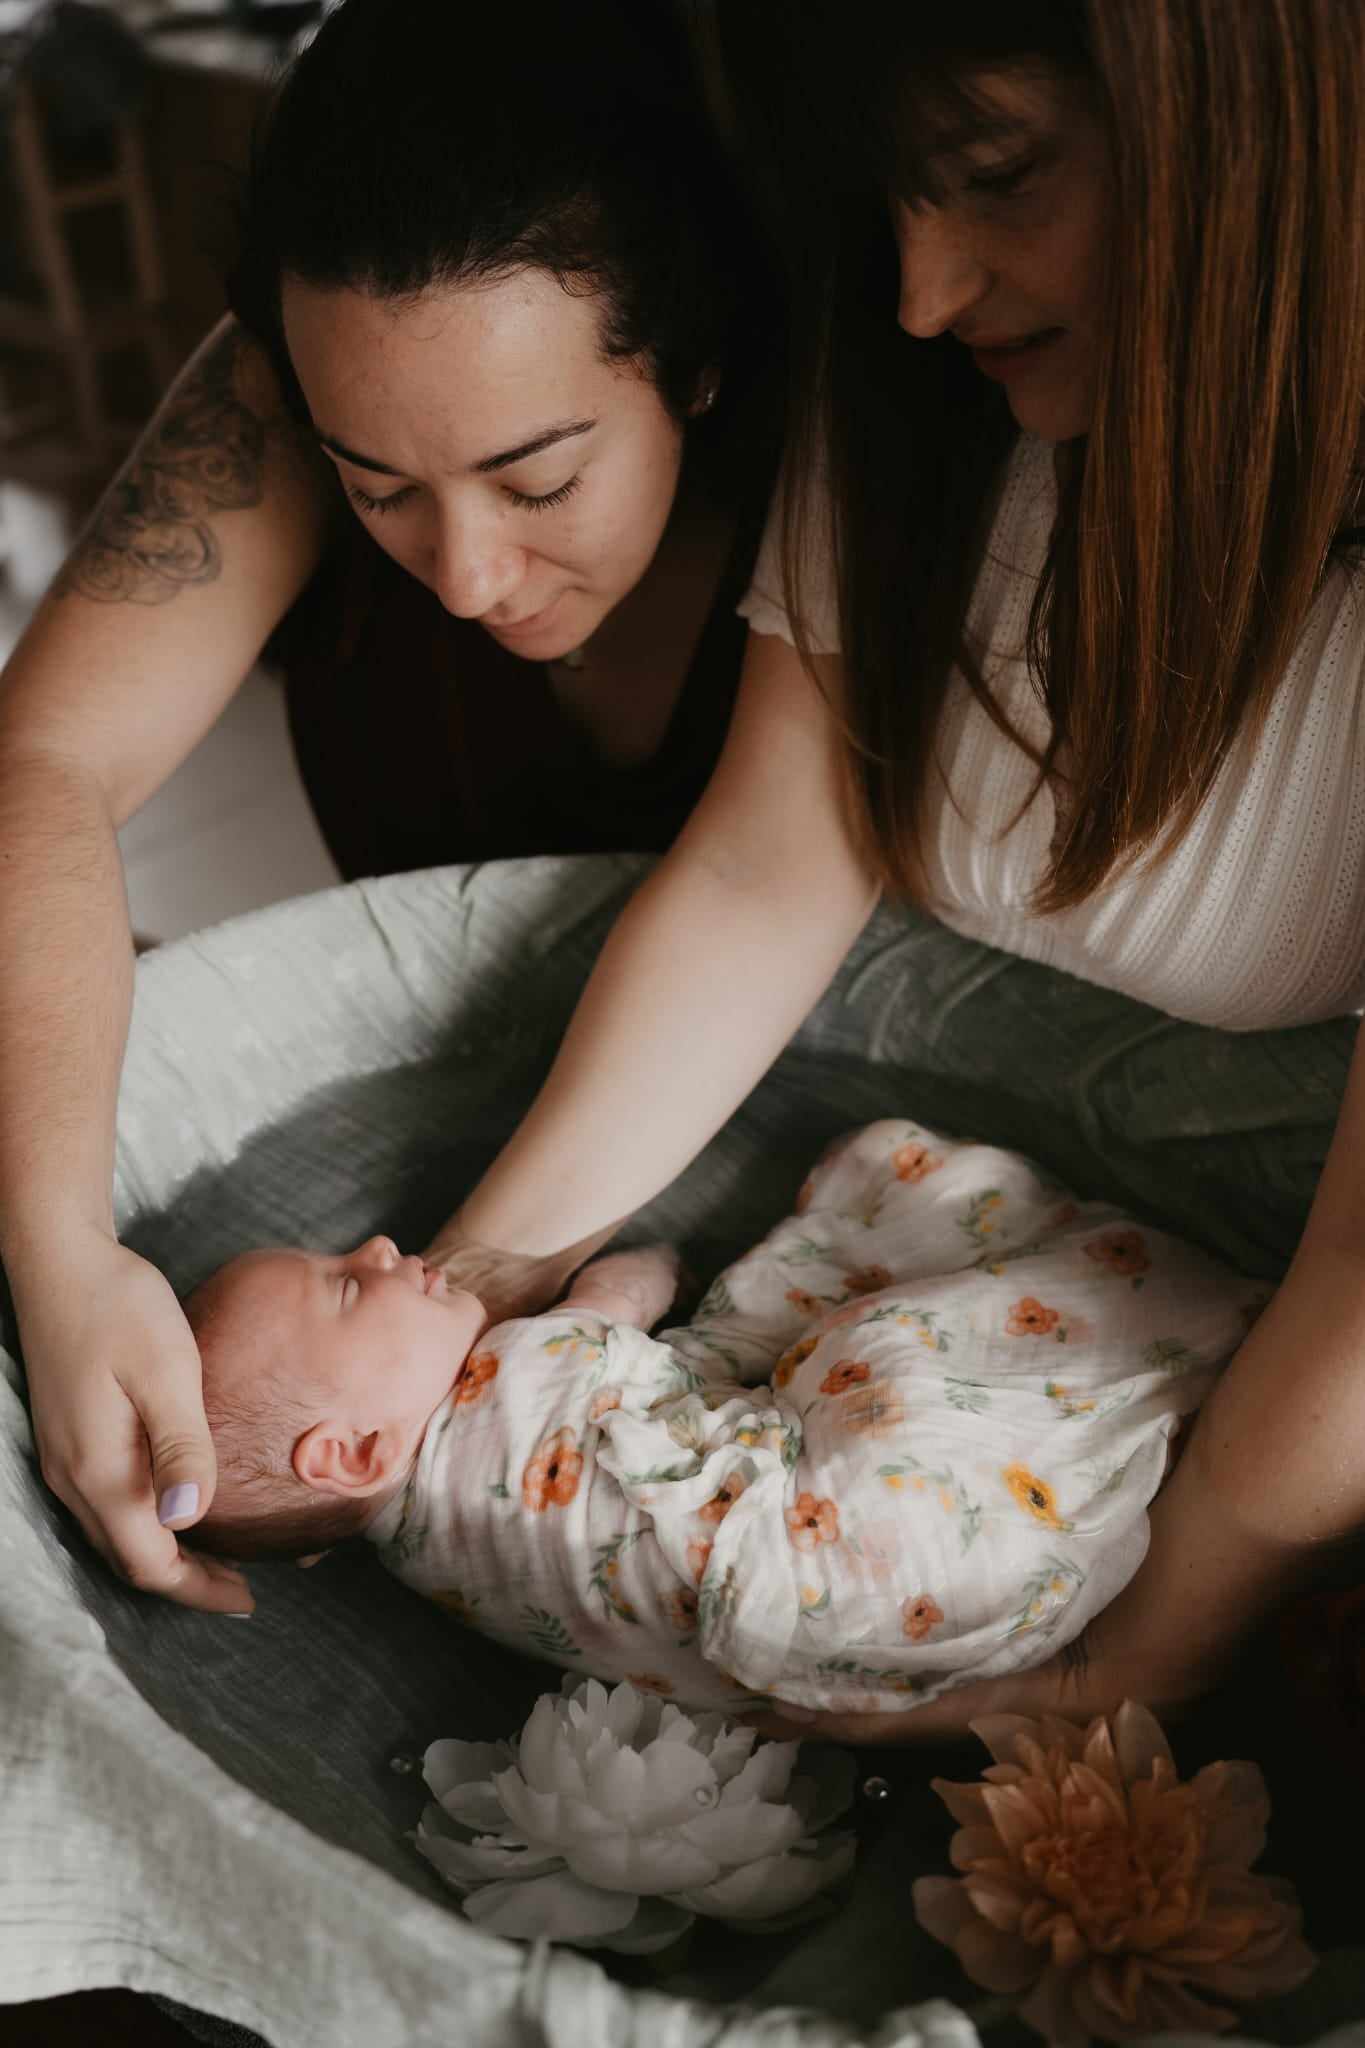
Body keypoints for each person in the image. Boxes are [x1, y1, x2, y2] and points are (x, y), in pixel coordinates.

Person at [423, 0, 1365, 1742]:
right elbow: (766, 871)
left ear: (1273, 128)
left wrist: (1131, 1661)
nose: (928, 290)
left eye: (998, 175)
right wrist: (454, 1304)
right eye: (885, 202)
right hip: (957, 1259)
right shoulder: (920, 399)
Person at [0, 0, 776, 1613]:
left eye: (539, 480)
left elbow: (763, 887)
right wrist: (62, 1248)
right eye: (377, 493)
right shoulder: (309, 375)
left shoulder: (852, 465)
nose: (468, 576)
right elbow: (43, 767)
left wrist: (472, 1316)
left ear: (694, 364)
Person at [187, 1122, 1255, 1716]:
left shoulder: (423, 1561)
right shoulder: (514, 1364)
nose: (376, 1247)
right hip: (852, 1530)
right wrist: (645, 1265)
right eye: (341, 1285)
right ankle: (1187, 1321)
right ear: (353, 1449)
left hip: (908, 1650)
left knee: (785, 1367)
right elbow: (622, 1304)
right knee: (880, 1337)